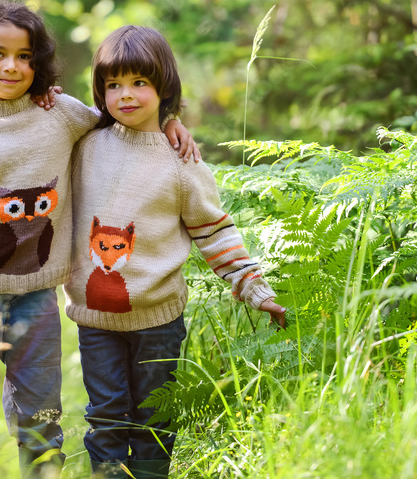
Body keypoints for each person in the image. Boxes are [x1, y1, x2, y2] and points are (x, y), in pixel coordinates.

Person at [0, 0, 197, 478]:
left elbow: (121, 116)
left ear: (39, 63)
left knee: (40, 413)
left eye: (25, 56)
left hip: (37, 298)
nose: (11, 66)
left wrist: (167, 122)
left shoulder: (62, 114)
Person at [65, 25, 287, 479]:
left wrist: (254, 287)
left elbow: (214, 231)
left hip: (159, 322)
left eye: (139, 83)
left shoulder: (181, 163)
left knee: (154, 419)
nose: (125, 95)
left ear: (163, 86)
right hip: (95, 320)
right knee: (105, 416)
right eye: (113, 85)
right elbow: (45, 119)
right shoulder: (84, 144)